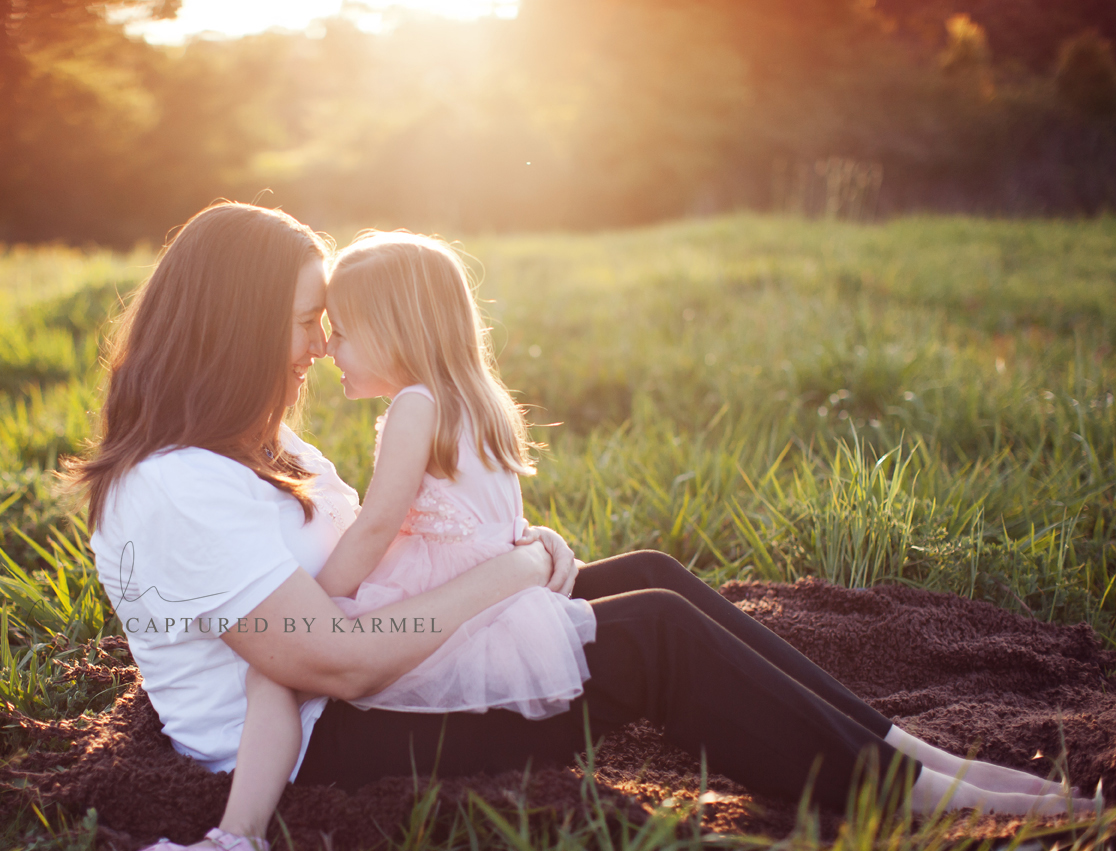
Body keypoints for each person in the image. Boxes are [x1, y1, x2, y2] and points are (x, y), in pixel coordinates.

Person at [76, 204, 1092, 851]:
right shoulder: (176, 487)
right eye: (303, 320)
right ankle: (900, 796)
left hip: (384, 670)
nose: (319, 343)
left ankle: (900, 746)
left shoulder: (259, 446)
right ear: (238, 325)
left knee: (646, 569)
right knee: (650, 634)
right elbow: (331, 663)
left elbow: (384, 551)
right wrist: (512, 572)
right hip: (323, 737)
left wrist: (501, 558)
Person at [215, 232, 599, 851]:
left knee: (271, 676)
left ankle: (241, 831)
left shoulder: (414, 407)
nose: (327, 347)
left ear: (395, 331)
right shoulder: (478, 397)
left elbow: (378, 524)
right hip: (496, 578)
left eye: (341, 332)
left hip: (442, 593)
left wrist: (321, 599)